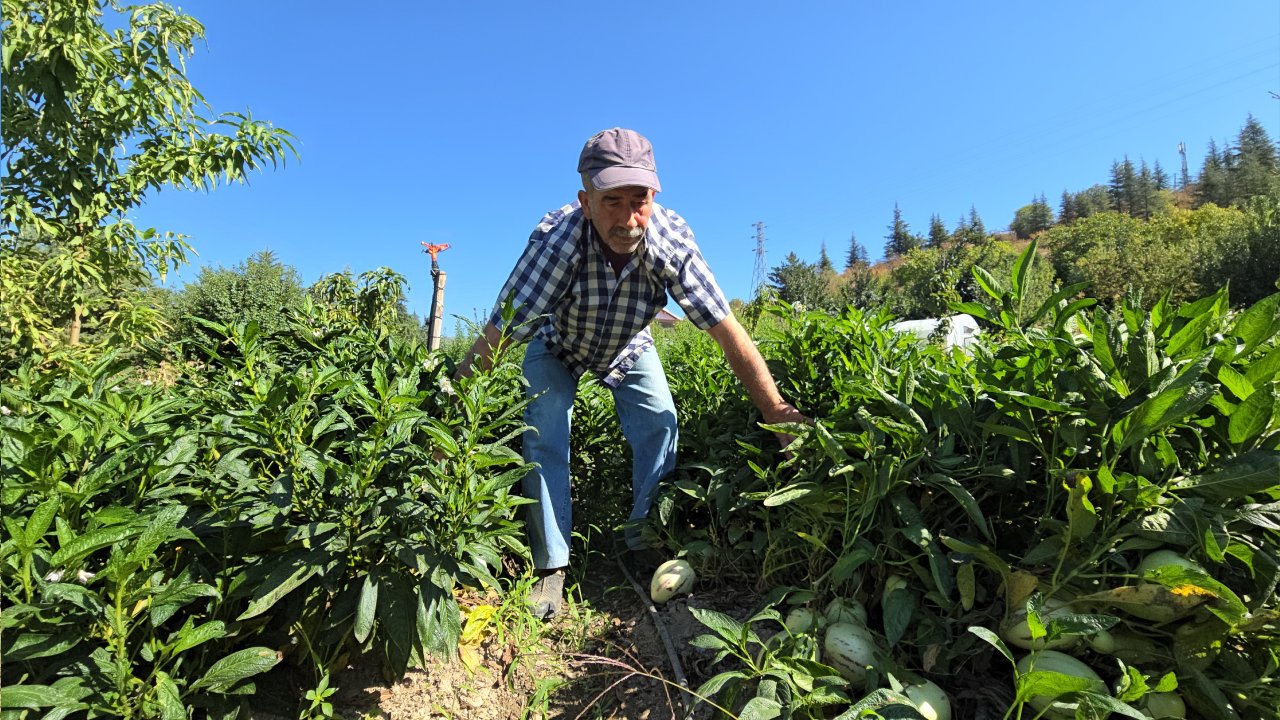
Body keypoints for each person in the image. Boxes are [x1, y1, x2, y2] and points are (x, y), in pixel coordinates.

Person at [455, 128, 806, 618]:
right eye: (611, 201)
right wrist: (446, 419)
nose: (627, 219)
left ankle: (646, 539)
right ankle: (551, 567)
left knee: (659, 419)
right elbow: (498, 334)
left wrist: (776, 411)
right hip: (557, 343)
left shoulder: (670, 241)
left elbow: (728, 331)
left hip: (628, 343)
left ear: (655, 196)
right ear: (585, 201)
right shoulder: (556, 244)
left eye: (639, 200)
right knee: (544, 430)